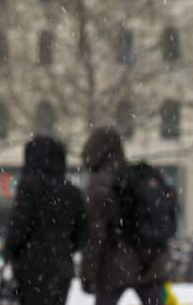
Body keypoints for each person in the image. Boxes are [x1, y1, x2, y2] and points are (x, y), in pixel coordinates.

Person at [81, 126, 171, 305]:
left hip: (114, 267)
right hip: (150, 263)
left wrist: (88, 273)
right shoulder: (138, 175)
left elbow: (96, 234)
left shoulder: (100, 183)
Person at [4, 136, 87, 305]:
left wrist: (9, 252)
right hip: (61, 267)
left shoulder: (29, 187)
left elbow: (18, 226)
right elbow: (82, 234)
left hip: (30, 267)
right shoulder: (72, 192)